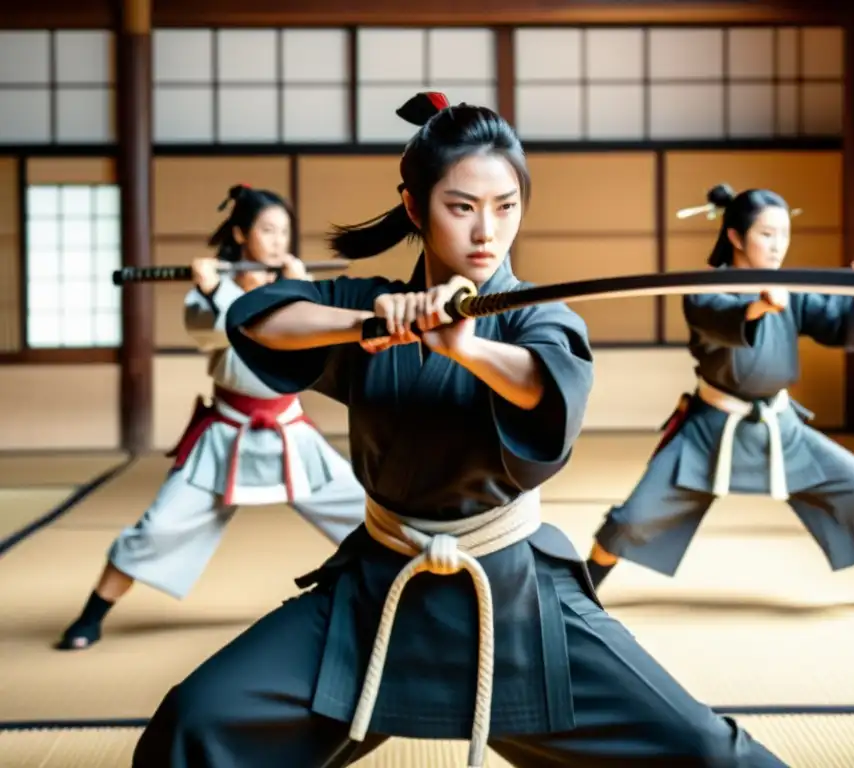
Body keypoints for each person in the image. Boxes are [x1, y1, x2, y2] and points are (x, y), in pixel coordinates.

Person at [131, 93, 788, 768]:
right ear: (415, 208)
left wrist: (465, 348)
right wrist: (367, 325)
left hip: (513, 601)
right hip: (375, 593)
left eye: (506, 207)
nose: (488, 232)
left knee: (708, 752)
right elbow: (258, 318)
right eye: (462, 206)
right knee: (194, 722)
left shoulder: (539, 317)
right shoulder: (373, 304)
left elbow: (546, 385)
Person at [586, 183, 854, 615]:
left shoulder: (792, 289)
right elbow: (715, 319)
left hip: (779, 427)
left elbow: (841, 328)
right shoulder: (703, 288)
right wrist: (757, 308)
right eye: (767, 234)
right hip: (710, 428)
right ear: (735, 236)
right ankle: (585, 587)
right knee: (638, 513)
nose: (778, 245)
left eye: (784, 234)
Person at [56, 185, 367, 651]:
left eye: (284, 231)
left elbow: (315, 343)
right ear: (241, 234)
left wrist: (303, 288)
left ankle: (408, 605)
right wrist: (214, 289)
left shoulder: (295, 290)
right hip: (226, 435)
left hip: (289, 434)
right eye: (267, 229)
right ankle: (92, 614)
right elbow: (220, 338)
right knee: (160, 527)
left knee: (370, 515)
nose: (279, 240)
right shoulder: (207, 296)